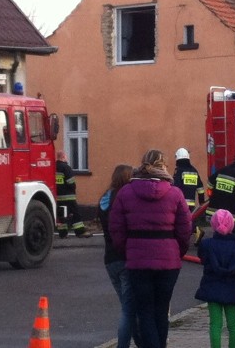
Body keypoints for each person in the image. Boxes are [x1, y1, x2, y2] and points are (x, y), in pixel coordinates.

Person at [109, 149, 193, 348]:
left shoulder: (126, 192)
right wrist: (177, 252)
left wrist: (127, 251)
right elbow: (185, 229)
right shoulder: (175, 193)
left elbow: (116, 228)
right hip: (169, 261)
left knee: (144, 311)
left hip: (138, 261)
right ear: (164, 166)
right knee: (161, 310)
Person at [195, 209, 235, 348]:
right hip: (231, 288)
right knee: (233, 325)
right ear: (232, 225)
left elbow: (203, 259)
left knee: (215, 324)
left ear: (214, 225)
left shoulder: (206, 244)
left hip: (212, 287)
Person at [99, 164, 141, 348]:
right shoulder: (125, 198)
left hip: (110, 259)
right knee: (128, 309)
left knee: (128, 306)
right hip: (125, 257)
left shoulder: (104, 198)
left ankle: (142, 343)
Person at [173, 147, 206, 245]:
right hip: (191, 202)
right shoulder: (194, 170)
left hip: (180, 201)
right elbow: (200, 187)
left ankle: (196, 231)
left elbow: (176, 186)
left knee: (181, 221)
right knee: (187, 219)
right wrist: (201, 202)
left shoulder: (179, 171)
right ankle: (195, 231)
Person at [55, 150, 91, 238]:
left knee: (61, 215)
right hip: (68, 196)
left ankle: (62, 233)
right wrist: (73, 189)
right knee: (76, 214)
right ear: (63, 157)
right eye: (66, 156)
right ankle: (80, 232)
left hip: (58, 197)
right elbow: (71, 182)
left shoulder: (54, 167)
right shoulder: (66, 167)